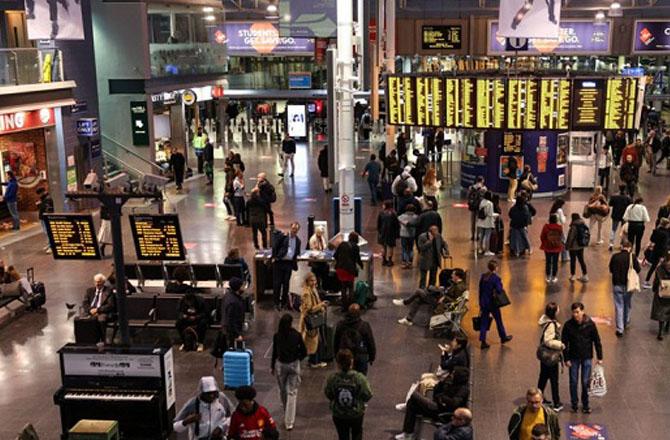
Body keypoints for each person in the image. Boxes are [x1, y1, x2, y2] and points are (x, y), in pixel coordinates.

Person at [396, 366, 470, 440]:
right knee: (412, 404)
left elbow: (454, 403)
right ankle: (408, 433)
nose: (451, 375)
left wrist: (442, 398)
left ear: (459, 376)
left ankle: (408, 434)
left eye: (454, 374)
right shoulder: (452, 382)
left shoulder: (463, 389)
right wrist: (442, 383)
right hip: (439, 405)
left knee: (414, 396)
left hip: (442, 412)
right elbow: (436, 390)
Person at [561, 302, 603, 414]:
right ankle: (574, 404)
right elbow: (564, 343)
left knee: (585, 382)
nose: (575, 314)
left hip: (586, 356)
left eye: (577, 312)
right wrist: (566, 358)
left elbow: (596, 340)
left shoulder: (590, 324)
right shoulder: (568, 325)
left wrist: (600, 356)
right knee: (573, 381)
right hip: (573, 357)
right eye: (574, 312)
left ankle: (585, 404)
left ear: (582, 311)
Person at [324, 349, 373, 440]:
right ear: (352, 361)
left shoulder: (333, 378)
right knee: (357, 433)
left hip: (339, 414)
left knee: (342, 435)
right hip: (356, 413)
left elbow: (328, 393)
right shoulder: (359, 378)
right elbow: (368, 394)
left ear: (338, 363)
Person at [271, 314, 307, 430]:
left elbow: (274, 353)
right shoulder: (296, 335)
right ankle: (289, 422)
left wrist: (272, 366)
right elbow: (304, 351)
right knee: (292, 392)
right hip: (293, 364)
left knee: (282, 390)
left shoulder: (277, 336)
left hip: (281, 365)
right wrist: (298, 359)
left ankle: (286, 410)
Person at [395, 268, 466, 326]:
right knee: (418, 299)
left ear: (457, 276)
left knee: (418, 291)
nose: (451, 276)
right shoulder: (458, 284)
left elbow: (455, 300)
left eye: (453, 274)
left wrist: (444, 297)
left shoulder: (459, 287)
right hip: (441, 298)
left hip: (441, 303)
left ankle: (405, 302)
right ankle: (408, 319)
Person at [609, 240, 641, 337]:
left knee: (619, 306)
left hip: (617, 284)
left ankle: (620, 329)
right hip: (628, 285)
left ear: (621, 246)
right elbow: (638, 269)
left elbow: (611, 269)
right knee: (627, 303)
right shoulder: (632, 257)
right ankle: (626, 321)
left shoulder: (615, 257)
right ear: (630, 247)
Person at [478, 260, 513, 349]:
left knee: (484, 322)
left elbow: (480, 290)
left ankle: (483, 340)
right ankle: (503, 337)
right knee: (498, 320)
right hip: (493, 303)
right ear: (495, 268)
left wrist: (480, 303)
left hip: (484, 302)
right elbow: (499, 289)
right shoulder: (496, 278)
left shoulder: (483, 276)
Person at [537, 303, 564, 412]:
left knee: (543, 377)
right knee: (554, 379)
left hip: (545, 357)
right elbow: (548, 341)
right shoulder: (551, 325)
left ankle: (539, 397)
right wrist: (560, 344)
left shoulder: (545, 321)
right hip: (551, 356)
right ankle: (556, 403)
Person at [334, 304, 376, 375]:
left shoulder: (340, 325)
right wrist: (372, 357)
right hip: (360, 357)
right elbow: (370, 342)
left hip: (344, 356)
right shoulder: (364, 326)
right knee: (361, 378)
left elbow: (336, 342)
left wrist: (336, 356)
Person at [300, 272, 328, 368]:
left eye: (315, 280)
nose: (314, 282)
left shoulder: (313, 289)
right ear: (307, 281)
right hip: (310, 320)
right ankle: (314, 362)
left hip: (314, 318)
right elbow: (309, 309)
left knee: (314, 340)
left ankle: (314, 360)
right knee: (313, 340)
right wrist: (321, 305)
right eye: (311, 280)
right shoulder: (307, 293)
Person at [271, 223, 301, 310]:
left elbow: (297, 252)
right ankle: (276, 303)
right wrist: (274, 257)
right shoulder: (283, 236)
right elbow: (275, 246)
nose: (294, 230)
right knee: (277, 283)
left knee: (286, 284)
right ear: (290, 228)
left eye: (296, 229)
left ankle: (284, 302)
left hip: (289, 264)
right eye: (293, 228)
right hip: (279, 262)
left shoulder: (298, 241)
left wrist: (296, 258)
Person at [82, 273, 116, 343]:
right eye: (95, 281)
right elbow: (85, 303)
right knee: (81, 320)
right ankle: (86, 340)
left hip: (102, 312)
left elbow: (110, 305)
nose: (97, 284)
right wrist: (90, 310)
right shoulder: (89, 291)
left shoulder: (108, 291)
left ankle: (103, 340)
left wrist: (97, 310)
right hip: (91, 311)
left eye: (99, 282)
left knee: (101, 320)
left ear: (103, 282)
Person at [334, 232, 364, 310]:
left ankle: (344, 306)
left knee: (343, 287)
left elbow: (335, 255)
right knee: (350, 287)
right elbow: (358, 259)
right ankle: (351, 306)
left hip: (340, 268)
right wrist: (361, 265)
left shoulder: (342, 244)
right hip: (350, 270)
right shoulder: (356, 247)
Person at [221, 277, 246, 350]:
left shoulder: (227, 296)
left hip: (229, 330)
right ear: (238, 287)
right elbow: (230, 320)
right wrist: (237, 334)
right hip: (231, 333)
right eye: (242, 286)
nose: (244, 288)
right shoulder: (233, 302)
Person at [644, 218, 670, 288]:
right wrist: (663, 256)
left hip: (655, 250)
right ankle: (658, 284)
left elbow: (652, 239)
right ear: (666, 225)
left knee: (653, 267)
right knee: (661, 268)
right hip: (662, 252)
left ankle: (647, 281)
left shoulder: (656, 230)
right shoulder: (665, 234)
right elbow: (664, 245)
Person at [651, 250, 670, 340]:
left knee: (661, 310)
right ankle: (667, 326)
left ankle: (660, 331)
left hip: (662, 291)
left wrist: (654, 288)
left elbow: (656, 280)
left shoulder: (660, 268)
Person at [565, 213, 589, 282]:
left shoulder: (574, 226)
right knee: (581, 260)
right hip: (581, 245)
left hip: (573, 246)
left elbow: (571, 237)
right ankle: (585, 275)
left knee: (573, 260)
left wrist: (567, 246)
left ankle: (573, 275)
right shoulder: (583, 224)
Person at [540, 214, 563, 283]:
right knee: (555, 262)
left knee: (548, 262)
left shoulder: (546, 227)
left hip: (547, 247)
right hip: (557, 247)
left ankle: (548, 277)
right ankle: (554, 277)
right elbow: (561, 236)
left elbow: (542, 236)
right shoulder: (559, 227)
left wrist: (545, 243)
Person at [608, 184, 632, 251]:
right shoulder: (628, 198)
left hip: (615, 214)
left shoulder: (614, 196)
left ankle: (611, 244)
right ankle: (622, 244)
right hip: (624, 216)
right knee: (623, 231)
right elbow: (630, 206)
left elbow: (610, 204)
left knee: (613, 230)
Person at [377, 201, 400, 266]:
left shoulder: (381, 213)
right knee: (390, 247)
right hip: (391, 233)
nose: (382, 206)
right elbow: (397, 225)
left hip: (382, 232)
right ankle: (390, 261)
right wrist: (397, 234)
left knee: (383, 247)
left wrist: (379, 231)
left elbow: (378, 224)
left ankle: (384, 260)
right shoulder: (393, 213)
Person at [476, 191, 496, 256]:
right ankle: (487, 250)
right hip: (488, 222)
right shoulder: (490, 204)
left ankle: (480, 249)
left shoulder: (482, 202)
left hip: (481, 221)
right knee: (487, 236)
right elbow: (490, 214)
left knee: (481, 236)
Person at [467, 177, 487, 241]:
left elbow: (468, 196)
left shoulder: (471, 187)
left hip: (473, 206)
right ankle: (478, 235)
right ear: (482, 181)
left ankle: (472, 235)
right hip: (479, 206)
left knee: (473, 221)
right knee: (479, 221)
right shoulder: (484, 188)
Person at [36, 187, 54, 253]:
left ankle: (51, 247)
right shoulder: (43, 199)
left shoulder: (48, 199)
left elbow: (48, 209)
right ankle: (49, 244)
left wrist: (40, 204)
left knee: (49, 232)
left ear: (42, 192)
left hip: (46, 218)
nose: (39, 196)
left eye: (39, 194)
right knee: (46, 232)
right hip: (42, 218)